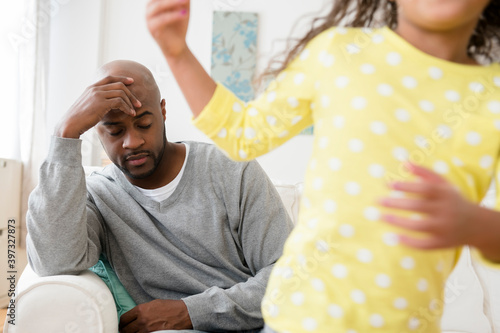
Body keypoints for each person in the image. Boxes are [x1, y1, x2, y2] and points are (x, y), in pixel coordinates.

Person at [145, 0, 500, 332]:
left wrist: (474, 224)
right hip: (302, 316)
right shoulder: (338, 54)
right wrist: (177, 53)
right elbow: (242, 135)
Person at [26, 59, 294, 333]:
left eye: (143, 124)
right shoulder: (99, 195)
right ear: (98, 131)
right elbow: (54, 262)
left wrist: (189, 312)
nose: (132, 141)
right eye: (115, 131)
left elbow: (290, 276)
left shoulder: (232, 169)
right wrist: (65, 134)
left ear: (163, 112)